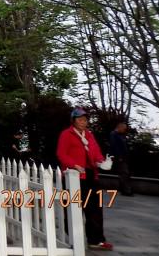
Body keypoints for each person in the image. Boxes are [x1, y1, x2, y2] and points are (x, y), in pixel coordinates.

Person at [56, 107, 113, 251]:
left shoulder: (89, 135)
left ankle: (96, 240)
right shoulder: (66, 134)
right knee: (73, 208)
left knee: (96, 208)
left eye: (85, 120)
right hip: (74, 176)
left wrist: (101, 162)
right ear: (73, 121)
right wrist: (74, 165)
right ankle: (73, 239)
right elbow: (61, 154)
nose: (83, 122)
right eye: (80, 119)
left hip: (90, 175)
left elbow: (96, 152)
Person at [109, 120, 133, 196]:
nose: (124, 130)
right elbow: (114, 146)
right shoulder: (114, 134)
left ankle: (123, 189)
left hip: (123, 157)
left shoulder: (120, 135)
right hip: (120, 158)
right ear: (119, 127)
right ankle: (126, 191)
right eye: (124, 128)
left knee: (124, 173)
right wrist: (119, 157)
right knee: (124, 173)